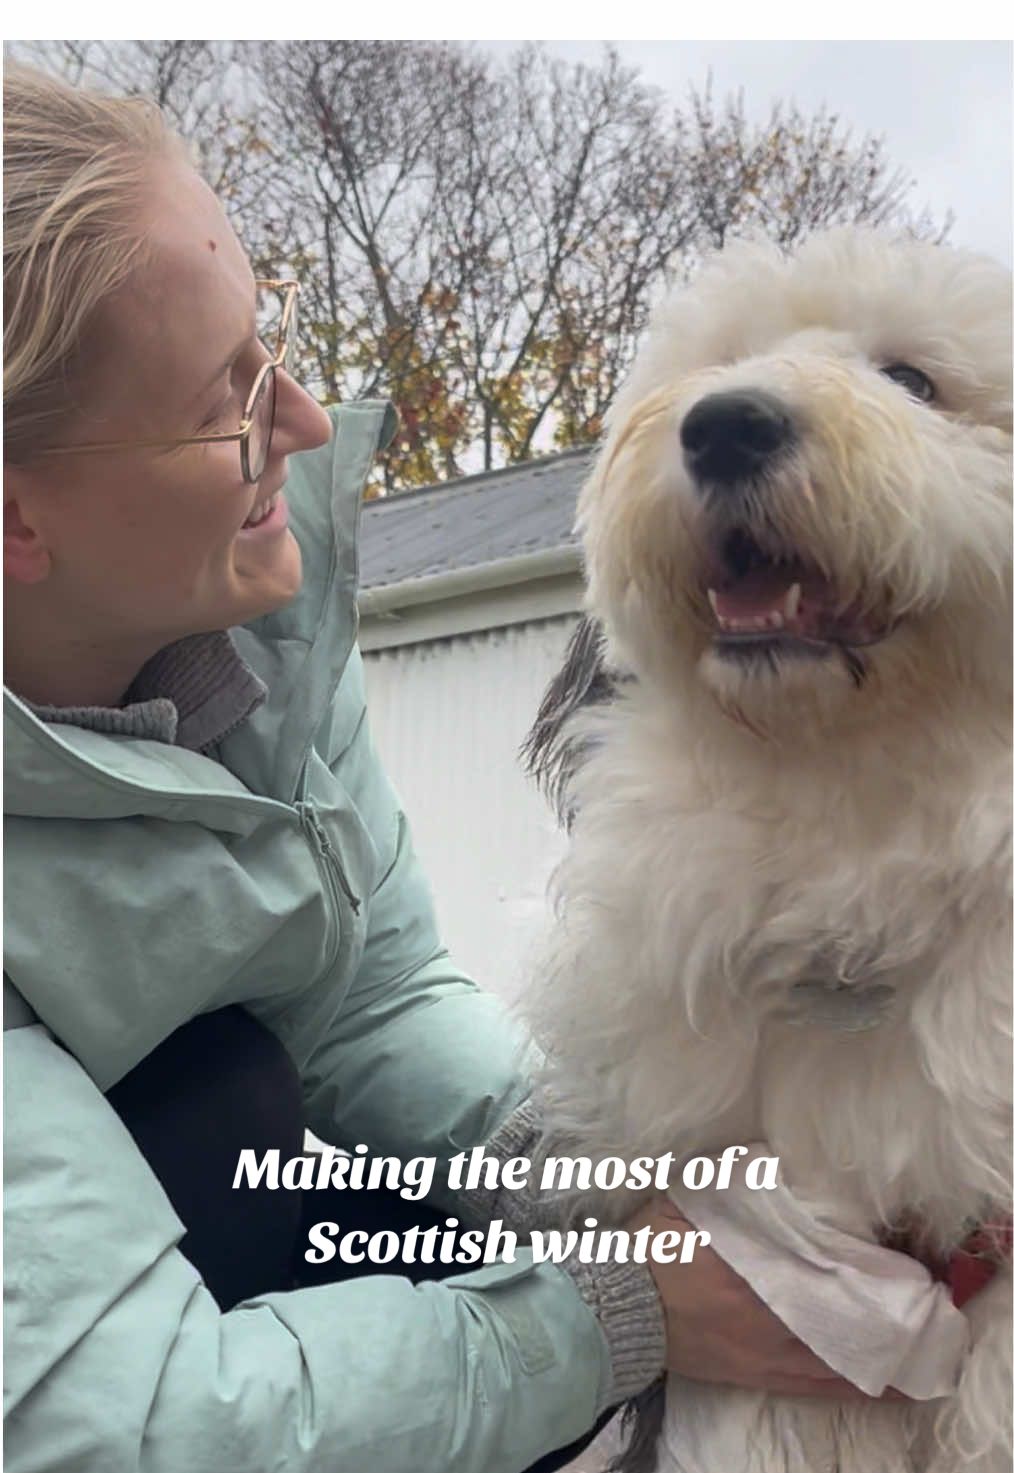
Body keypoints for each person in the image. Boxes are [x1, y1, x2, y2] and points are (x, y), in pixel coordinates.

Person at [3, 63, 907, 1473]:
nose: (304, 429)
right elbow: (113, 1426)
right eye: (223, 396)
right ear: (15, 520)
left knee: (256, 1093)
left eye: (270, 339)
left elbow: (368, 999)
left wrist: (634, 1187)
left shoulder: (241, 637)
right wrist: (615, 1310)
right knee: (223, 1102)